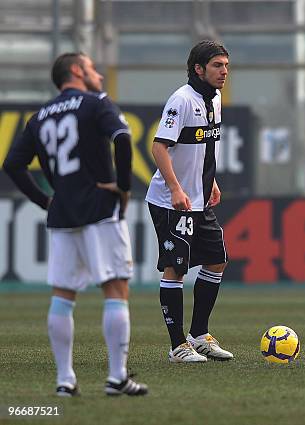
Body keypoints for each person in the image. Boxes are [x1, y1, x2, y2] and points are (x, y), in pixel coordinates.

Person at [2, 53, 147, 395]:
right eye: (92, 67)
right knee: (115, 287)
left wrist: (45, 200)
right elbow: (123, 139)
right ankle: (116, 377)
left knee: (63, 296)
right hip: (99, 206)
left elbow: (12, 164)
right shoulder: (96, 102)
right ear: (78, 71)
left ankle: (65, 380)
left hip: (62, 212)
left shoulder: (39, 117)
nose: (97, 73)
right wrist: (124, 188)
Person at [146, 40, 233, 363]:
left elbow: (203, 146)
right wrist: (175, 189)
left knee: (217, 260)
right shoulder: (181, 101)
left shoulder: (215, 98)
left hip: (199, 198)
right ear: (199, 69)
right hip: (173, 202)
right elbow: (159, 147)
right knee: (175, 270)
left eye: (225, 65)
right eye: (217, 66)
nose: (224, 71)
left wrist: (210, 183)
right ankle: (177, 345)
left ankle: (199, 335)